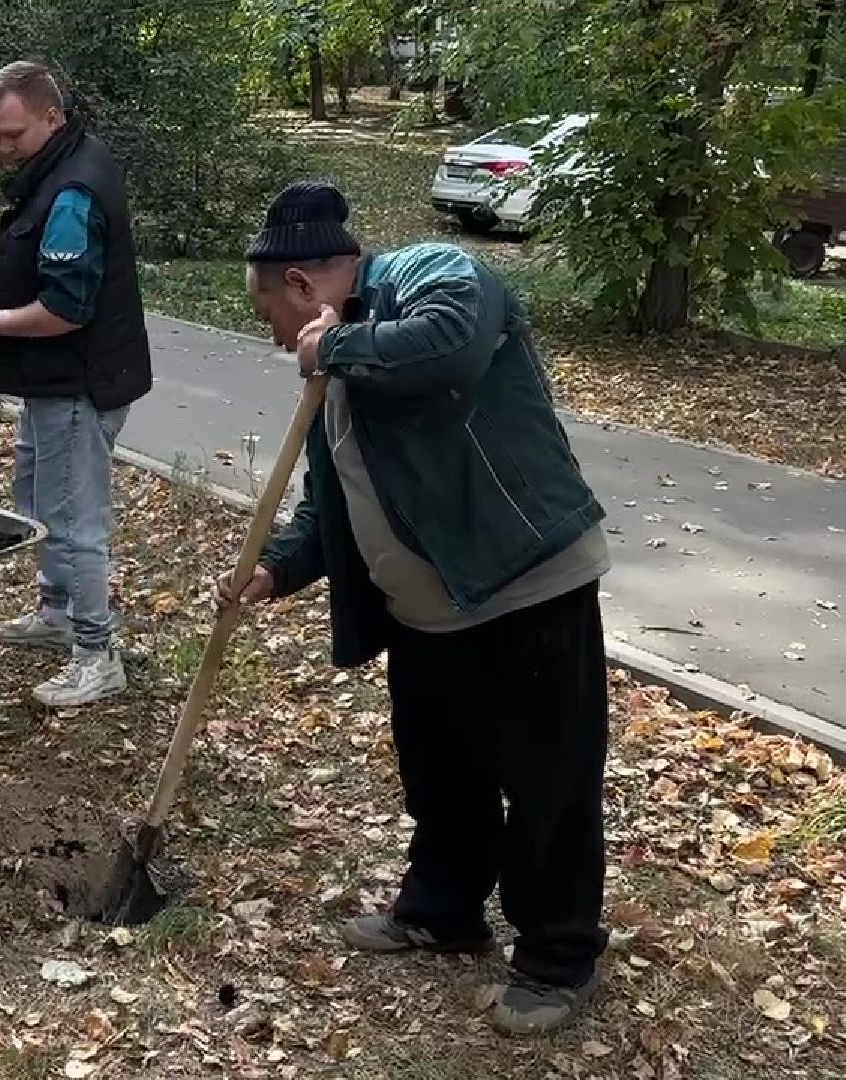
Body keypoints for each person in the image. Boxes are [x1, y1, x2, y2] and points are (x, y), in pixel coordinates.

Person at [219, 181, 612, 1036]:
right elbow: (333, 505)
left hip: (523, 582)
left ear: (300, 288)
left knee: (549, 780)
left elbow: (454, 348)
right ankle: (442, 910)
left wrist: (342, 343)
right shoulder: (334, 375)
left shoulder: (434, 275)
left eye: (270, 317)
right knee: (442, 772)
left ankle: (557, 958)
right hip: (430, 617)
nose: (273, 338)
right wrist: (277, 570)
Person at [0, 60, 152, 709]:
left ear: (52, 116)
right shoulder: (62, 161)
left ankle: (97, 653)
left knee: (72, 520)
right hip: (54, 382)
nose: (5, 147)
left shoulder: (73, 194)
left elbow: (65, 310)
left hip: (77, 385)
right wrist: (5, 149)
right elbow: (30, 164)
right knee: (38, 500)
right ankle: (58, 613)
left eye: (14, 136)